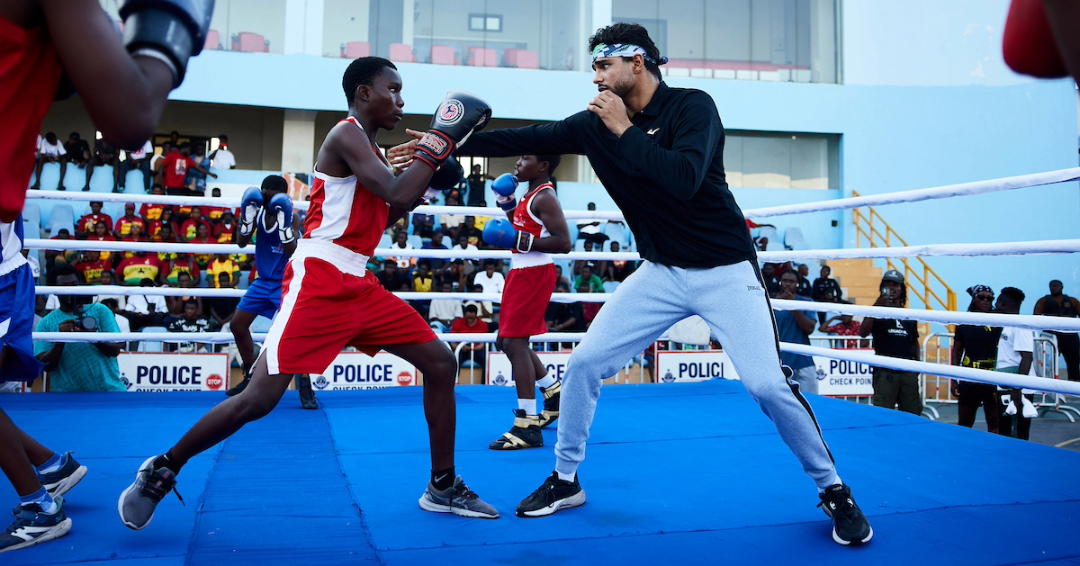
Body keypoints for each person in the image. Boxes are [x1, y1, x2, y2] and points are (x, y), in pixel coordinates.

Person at [393, 23, 872, 544]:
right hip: (661, 272)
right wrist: (441, 144)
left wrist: (624, 129)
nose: (596, 77)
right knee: (583, 365)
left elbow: (683, 179)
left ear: (637, 63)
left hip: (725, 271)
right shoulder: (594, 124)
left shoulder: (693, 107)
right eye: (594, 67)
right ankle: (565, 479)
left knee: (767, 386)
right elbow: (526, 137)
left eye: (604, 66)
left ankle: (834, 489)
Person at [118, 58, 498, 531]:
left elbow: (388, 213)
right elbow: (396, 194)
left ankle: (442, 486)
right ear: (364, 93)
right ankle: (164, 467)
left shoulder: (375, 154)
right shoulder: (345, 135)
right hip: (319, 279)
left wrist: (428, 173)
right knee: (258, 399)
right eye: (393, 89)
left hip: (359, 281)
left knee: (441, 363)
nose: (401, 101)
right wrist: (436, 145)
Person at [481, 155, 571, 450]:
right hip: (521, 271)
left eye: (525, 158)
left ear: (543, 165)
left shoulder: (545, 197)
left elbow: (563, 242)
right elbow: (520, 229)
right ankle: (552, 392)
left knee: (515, 343)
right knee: (505, 341)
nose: (518, 163)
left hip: (534, 272)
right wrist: (507, 204)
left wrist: (520, 241)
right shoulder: (528, 194)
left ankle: (527, 424)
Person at [222, 175, 314, 408]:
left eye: (272, 198)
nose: (268, 202)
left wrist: (284, 224)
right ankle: (250, 374)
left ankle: (305, 385)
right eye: (265, 197)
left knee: (295, 332)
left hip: (286, 283)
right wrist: (247, 218)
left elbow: (291, 252)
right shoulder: (257, 212)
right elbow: (241, 242)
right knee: (237, 325)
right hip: (262, 282)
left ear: (282, 197)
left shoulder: (292, 217)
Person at [34, 264, 125, 391]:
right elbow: (46, 365)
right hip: (67, 395)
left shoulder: (101, 311)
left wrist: (93, 338)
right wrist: (60, 340)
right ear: (54, 290)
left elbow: (115, 350)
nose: (71, 289)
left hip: (109, 390)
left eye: (74, 284)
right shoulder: (45, 323)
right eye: (64, 286)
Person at [859, 270, 921, 416]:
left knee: (912, 414)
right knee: (883, 414)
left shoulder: (909, 315)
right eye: (887, 285)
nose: (891, 288)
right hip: (885, 371)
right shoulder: (877, 313)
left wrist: (917, 366)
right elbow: (863, 332)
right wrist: (875, 307)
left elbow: (914, 341)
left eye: (895, 285)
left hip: (907, 370)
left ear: (902, 289)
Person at [950, 285, 1002, 433]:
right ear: (974, 299)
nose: (986, 301)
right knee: (965, 422)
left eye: (989, 298)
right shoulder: (965, 322)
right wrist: (954, 380)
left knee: (994, 421)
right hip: (969, 375)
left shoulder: (998, 321)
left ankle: (994, 446)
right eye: (981, 297)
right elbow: (957, 351)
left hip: (992, 376)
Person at [994, 287, 1039, 440]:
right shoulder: (1008, 324)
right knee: (1005, 431)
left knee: (1018, 433)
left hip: (1017, 388)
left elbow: (1027, 357)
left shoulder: (1020, 326)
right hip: (1006, 383)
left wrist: (1017, 388)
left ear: (1002, 302)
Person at [774, 269, 819, 394]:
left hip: (803, 362)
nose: (788, 284)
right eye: (785, 281)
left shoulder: (806, 303)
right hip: (779, 363)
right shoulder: (772, 303)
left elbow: (809, 329)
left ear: (797, 284)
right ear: (780, 282)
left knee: (810, 400)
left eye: (792, 281)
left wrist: (794, 306)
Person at [1033, 280, 1079, 382]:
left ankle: (1074, 384)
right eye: (1051, 286)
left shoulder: (1073, 301)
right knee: (1049, 363)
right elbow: (1036, 317)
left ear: (1061, 287)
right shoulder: (1043, 301)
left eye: (1055, 286)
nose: (1053, 288)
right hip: (1051, 335)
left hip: (1070, 335)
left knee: (1074, 362)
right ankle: (1048, 384)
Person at [449, 304, 489, 370]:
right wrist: (459, 347)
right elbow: (452, 342)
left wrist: (475, 348)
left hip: (477, 351)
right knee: (454, 362)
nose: (470, 320)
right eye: (468, 318)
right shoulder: (457, 323)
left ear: (476, 315)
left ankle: (485, 377)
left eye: (472, 318)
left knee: (487, 361)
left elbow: (482, 344)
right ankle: (454, 377)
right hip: (461, 350)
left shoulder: (483, 325)